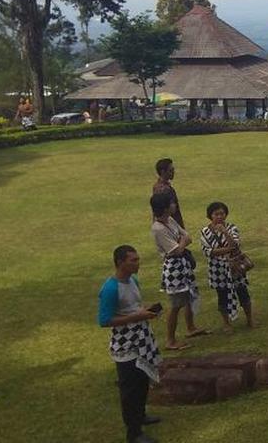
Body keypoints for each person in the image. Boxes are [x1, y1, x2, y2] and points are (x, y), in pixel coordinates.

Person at [99, 245, 163, 443]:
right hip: (125, 345)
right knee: (130, 389)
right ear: (120, 262)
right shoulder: (110, 288)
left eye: (138, 259)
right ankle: (133, 433)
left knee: (143, 381)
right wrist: (138, 315)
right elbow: (105, 320)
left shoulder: (133, 280)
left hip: (142, 339)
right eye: (133, 260)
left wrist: (146, 311)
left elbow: (134, 307)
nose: (138, 263)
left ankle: (141, 415)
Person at [150, 192, 207, 349]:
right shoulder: (158, 228)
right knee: (175, 305)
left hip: (183, 265)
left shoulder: (170, 220)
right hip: (174, 269)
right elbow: (176, 250)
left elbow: (187, 237)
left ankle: (191, 327)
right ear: (165, 207)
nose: (175, 205)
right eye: (172, 203)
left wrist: (181, 242)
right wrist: (182, 242)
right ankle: (170, 340)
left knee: (189, 297)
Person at [199, 202, 253, 332]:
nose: (219, 216)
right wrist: (228, 249)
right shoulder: (205, 232)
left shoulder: (231, 228)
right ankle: (226, 323)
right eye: (216, 214)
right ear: (210, 215)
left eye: (222, 213)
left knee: (243, 292)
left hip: (234, 267)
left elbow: (235, 244)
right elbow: (208, 251)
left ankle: (250, 319)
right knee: (222, 295)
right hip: (218, 269)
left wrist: (225, 233)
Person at [152, 158, 185, 229]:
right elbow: (170, 210)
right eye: (170, 170)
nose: (173, 172)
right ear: (163, 172)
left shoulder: (158, 186)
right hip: (171, 227)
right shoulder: (164, 189)